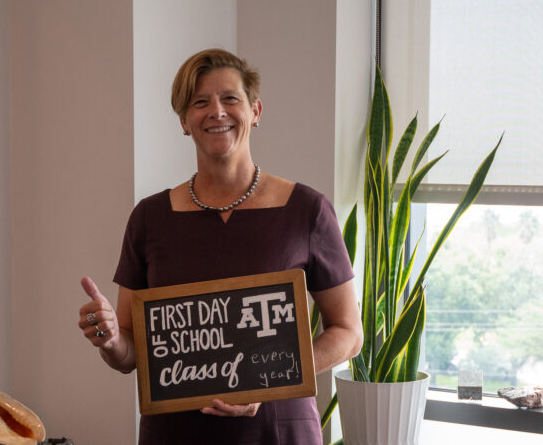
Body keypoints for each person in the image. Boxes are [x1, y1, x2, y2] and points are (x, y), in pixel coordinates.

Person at [78, 48, 363, 445]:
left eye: (230, 98)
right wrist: (110, 339)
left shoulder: (307, 210)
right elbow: (130, 354)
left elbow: (348, 332)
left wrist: (266, 382)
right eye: (200, 102)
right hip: (176, 434)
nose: (217, 111)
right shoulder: (150, 218)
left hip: (278, 432)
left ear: (256, 110)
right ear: (183, 121)